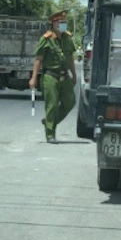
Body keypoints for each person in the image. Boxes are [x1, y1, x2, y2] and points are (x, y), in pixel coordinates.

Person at [29, 10, 77, 144]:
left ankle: (49, 122)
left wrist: (74, 74)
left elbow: (71, 58)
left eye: (65, 22)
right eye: (60, 22)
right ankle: (50, 134)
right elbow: (38, 60)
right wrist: (33, 78)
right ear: (53, 23)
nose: (63, 24)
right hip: (50, 76)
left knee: (70, 102)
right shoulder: (46, 39)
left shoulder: (68, 38)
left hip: (64, 76)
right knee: (52, 105)